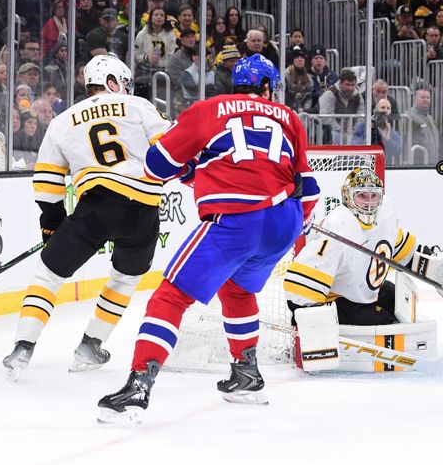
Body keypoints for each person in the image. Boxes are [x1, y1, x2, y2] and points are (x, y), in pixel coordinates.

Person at [97, 55, 319, 423]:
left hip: (237, 220)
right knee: (237, 289)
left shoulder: (209, 110)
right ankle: (247, 375)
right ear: (268, 87)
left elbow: (157, 167)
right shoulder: (289, 118)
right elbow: (306, 185)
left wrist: (183, 160)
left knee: (171, 295)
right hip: (285, 222)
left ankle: (138, 385)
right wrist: (301, 224)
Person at [1, 55, 171, 381]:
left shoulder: (63, 120)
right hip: (144, 210)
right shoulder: (138, 105)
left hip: (96, 207)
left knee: (49, 275)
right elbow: (171, 147)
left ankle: (23, 346)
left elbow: (48, 181)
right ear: (112, 82)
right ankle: (91, 345)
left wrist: (52, 222)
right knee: (124, 279)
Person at [284, 168, 443, 328]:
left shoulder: (385, 213)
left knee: (396, 297)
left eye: (374, 196)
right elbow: (305, 275)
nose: (368, 203)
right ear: (348, 197)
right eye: (362, 196)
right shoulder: (339, 225)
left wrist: (434, 266)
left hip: (365, 292)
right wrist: (309, 320)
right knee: (384, 321)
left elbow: (400, 247)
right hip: (337, 299)